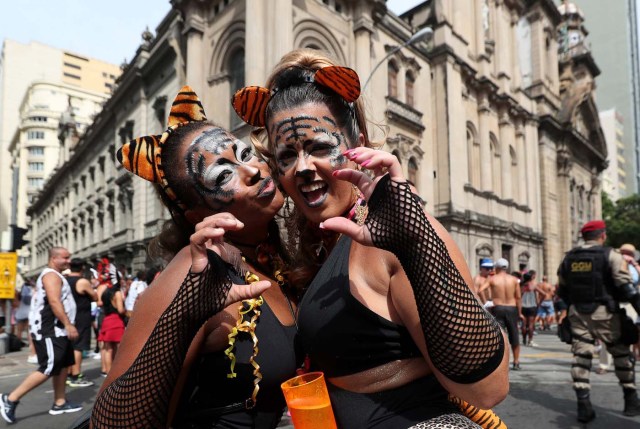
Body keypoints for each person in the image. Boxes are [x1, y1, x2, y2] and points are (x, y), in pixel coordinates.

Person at [237, 48, 509, 428]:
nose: (302, 168)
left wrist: (416, 243)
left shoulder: (396, 233)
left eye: (319, 147)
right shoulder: (326, 241)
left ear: (357, 146)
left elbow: (488, 388)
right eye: (287, 155)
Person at [91, 86, 299, 429]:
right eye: (222, 175)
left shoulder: (268, 259)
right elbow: (110, 425)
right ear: (194, 214)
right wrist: (183, 315)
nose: (253, 172)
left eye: (245, 155)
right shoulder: (194, 271)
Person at [557, 219, 640, 422]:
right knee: (621, 355)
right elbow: (626, 287)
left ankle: (583, 406)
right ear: (602, 236)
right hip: (606, 313)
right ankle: (631, 400)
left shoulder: (568, 259)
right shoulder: (611, 255)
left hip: (578, 313)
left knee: (581, 357)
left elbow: (562, 290)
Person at [0, 247, 82, 424]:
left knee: (62, 365)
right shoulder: (51, 275)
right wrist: (68, 324)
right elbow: (54, 301)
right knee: (50, 367)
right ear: (54, 258)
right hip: (50, 330)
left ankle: (59, 403)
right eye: (65, 257)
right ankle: (11, 399)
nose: (69, 260)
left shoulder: (56, 275)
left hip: (58, 330)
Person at [66, 258, 98, 387]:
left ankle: (69, 373)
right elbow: (95, 297)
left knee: (70, 345)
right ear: (82, 268)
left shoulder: (65, 280)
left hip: (69, 316)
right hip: (81, 316)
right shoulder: (82, 281)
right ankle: (76, 374)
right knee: (78, 347)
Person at [486, 258, 522, 370]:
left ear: (496, 267)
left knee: (499, 336)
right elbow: (518, 298)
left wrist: (487, 301)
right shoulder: (514, 280)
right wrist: (520, 313)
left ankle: (500, 363)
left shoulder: (492, 279)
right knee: (514, 336)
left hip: (498, 307)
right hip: (512, 308)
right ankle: (516, 362)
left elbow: (480, 289)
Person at [14, 280, 36, 363]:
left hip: (20, 313)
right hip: (28, 312)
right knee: (28, 331)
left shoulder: (20, 294)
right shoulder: (32, 292)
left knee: (19, 331)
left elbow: (16, 302)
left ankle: (17, 344)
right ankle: (31, 345)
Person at [520, 271, 538, 347]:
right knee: (531, 324)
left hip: (523, 306)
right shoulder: (533, 285)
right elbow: (543, 293)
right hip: (532, 306)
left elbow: (518, 296)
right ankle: (530, 341)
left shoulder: (521, 286)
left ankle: (524, 340)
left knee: (524, 324)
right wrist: (538, 302)